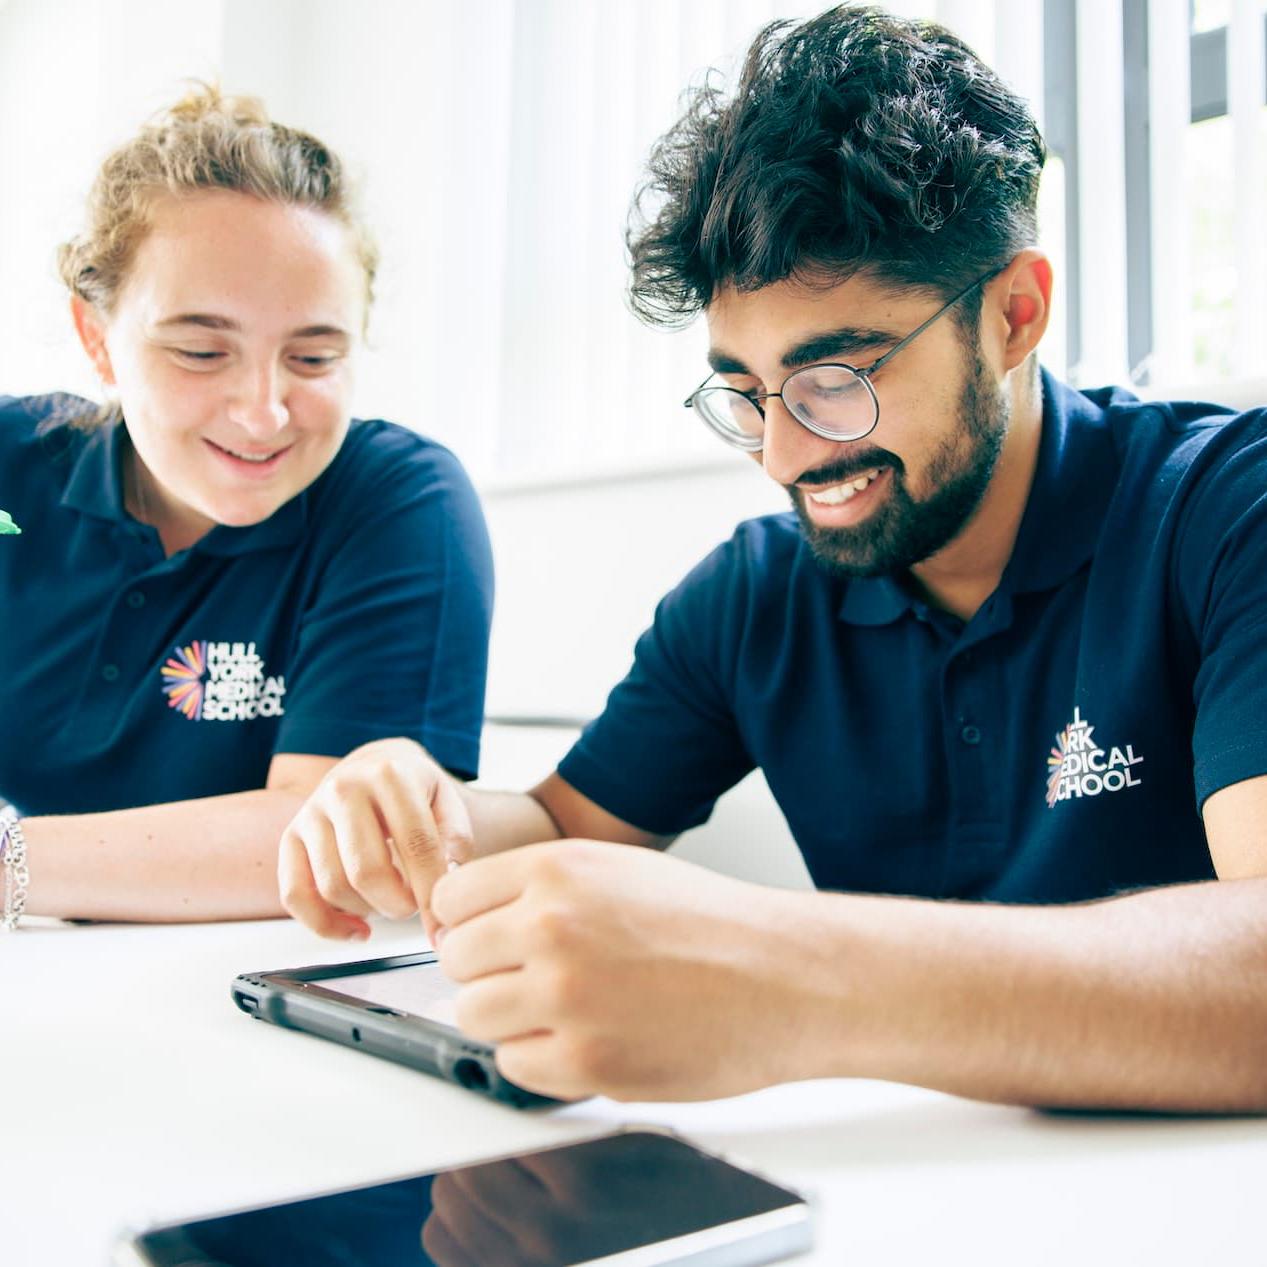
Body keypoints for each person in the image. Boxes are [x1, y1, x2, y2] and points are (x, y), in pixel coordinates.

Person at [281, 7, 1267, 1111]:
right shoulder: (754, 592)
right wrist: (419, 812)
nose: (786, 454)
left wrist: (794, 976)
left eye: (836, 377)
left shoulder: (1230, 509)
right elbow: (563, 824)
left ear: (1014, 313)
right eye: (745, 393)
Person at [0, 87, 493, 927]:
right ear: (96, 337)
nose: (263, 412)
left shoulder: (397, 501)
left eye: (311, 355)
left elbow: (323, 840)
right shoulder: (13, 469)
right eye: (200, 350)